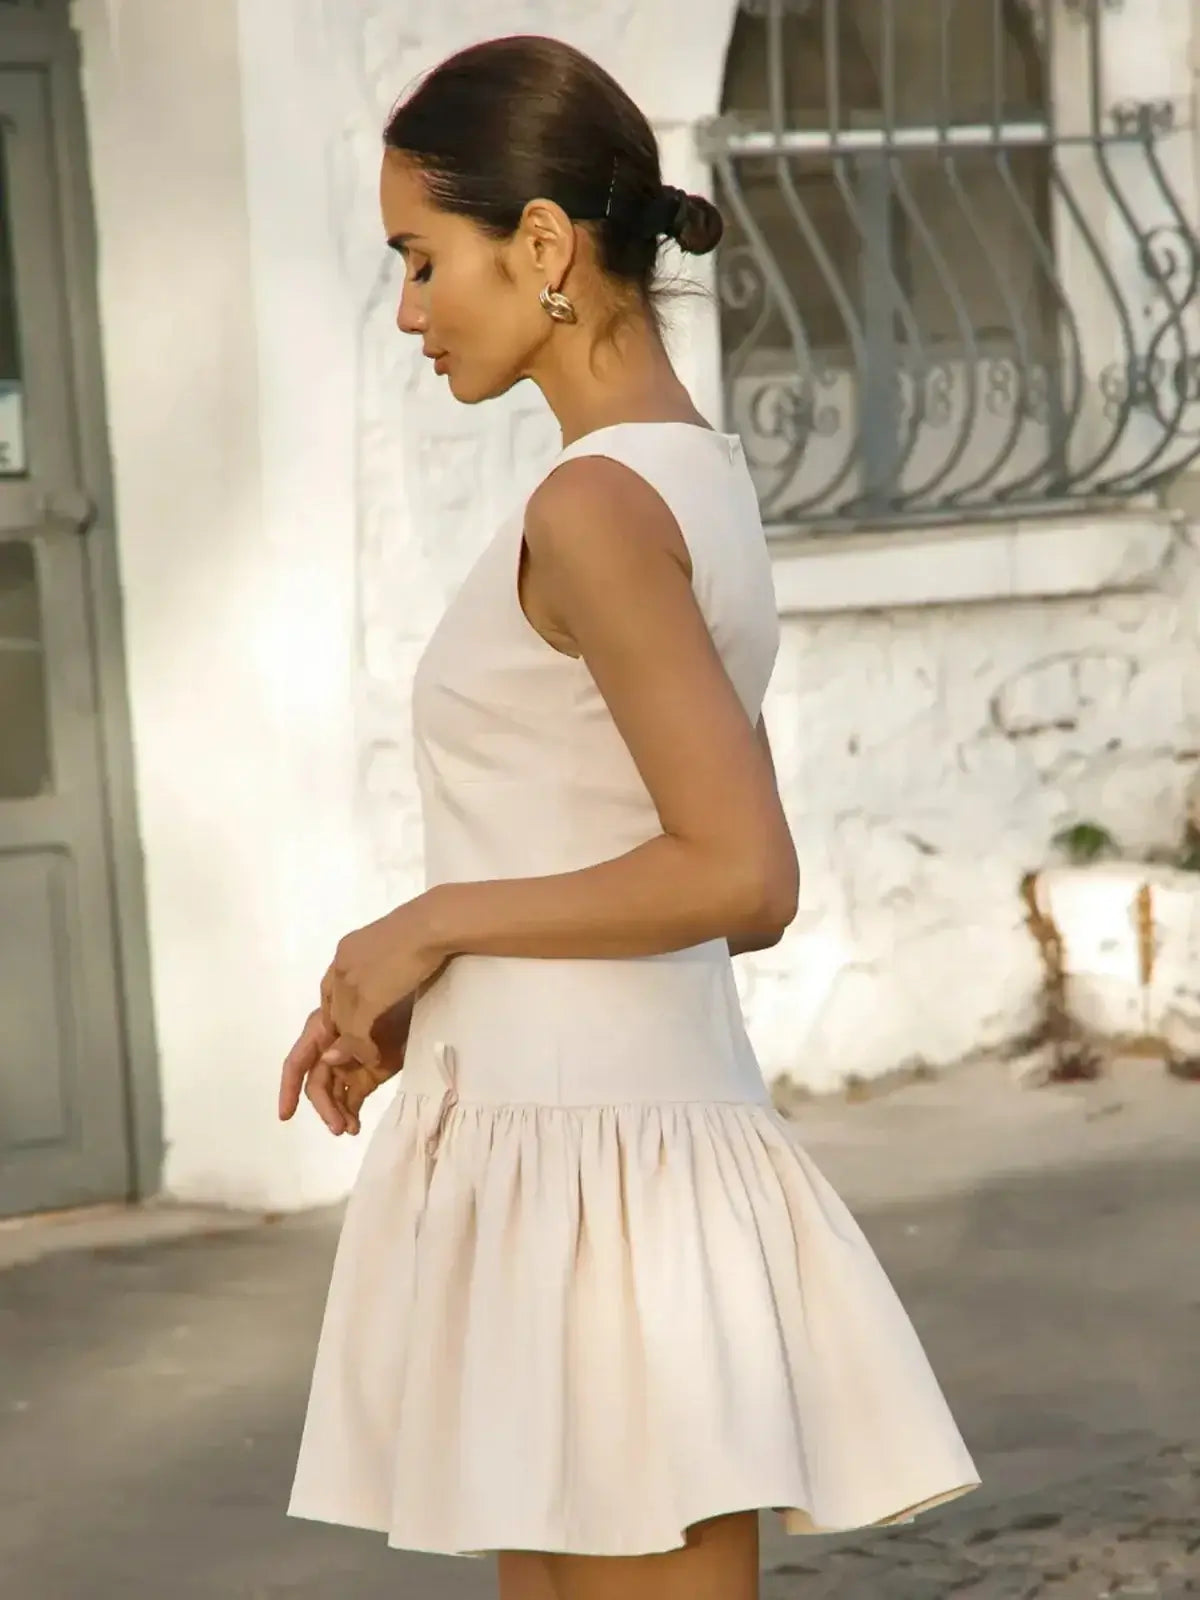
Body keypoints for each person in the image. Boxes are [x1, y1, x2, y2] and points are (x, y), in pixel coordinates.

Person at [277, 33, 978, 1600]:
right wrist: (425, 992)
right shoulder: (681, 477)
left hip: (606, 1175)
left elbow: (744, 871)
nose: (405, 311)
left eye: (418, 258)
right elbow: (615, 825)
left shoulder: (596, 506)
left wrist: (431, 923)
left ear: (539, 243)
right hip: (561, 1144)